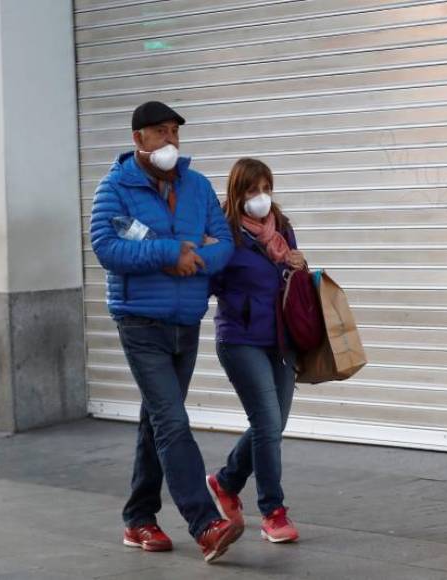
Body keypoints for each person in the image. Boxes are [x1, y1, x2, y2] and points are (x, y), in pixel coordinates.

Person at [90, 101, 243, 563]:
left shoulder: (196, 186)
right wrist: (170, 252)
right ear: (138, 139)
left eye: (175, 132)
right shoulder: (115, 187)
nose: (170, 140)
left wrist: (193, 258)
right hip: (140, 320)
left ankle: (139, 519)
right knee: (173, 420)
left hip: (185, 322)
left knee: (157, 420)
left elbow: (227, 244)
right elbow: (107, 246)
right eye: (160, 132)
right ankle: (205, 523)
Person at [203, 158, 307, 544]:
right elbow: (206, 282)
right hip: (240, 339)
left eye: (266, 188)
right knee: (266, 423)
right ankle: (272, 512)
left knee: (273, 424)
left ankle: (226, 481)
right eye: (252, 190)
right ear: (237, 193)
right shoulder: (224, 234)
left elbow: (292, 282)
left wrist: (298, 264)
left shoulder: (282, 228)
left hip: (281, 339)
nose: (261, 198)